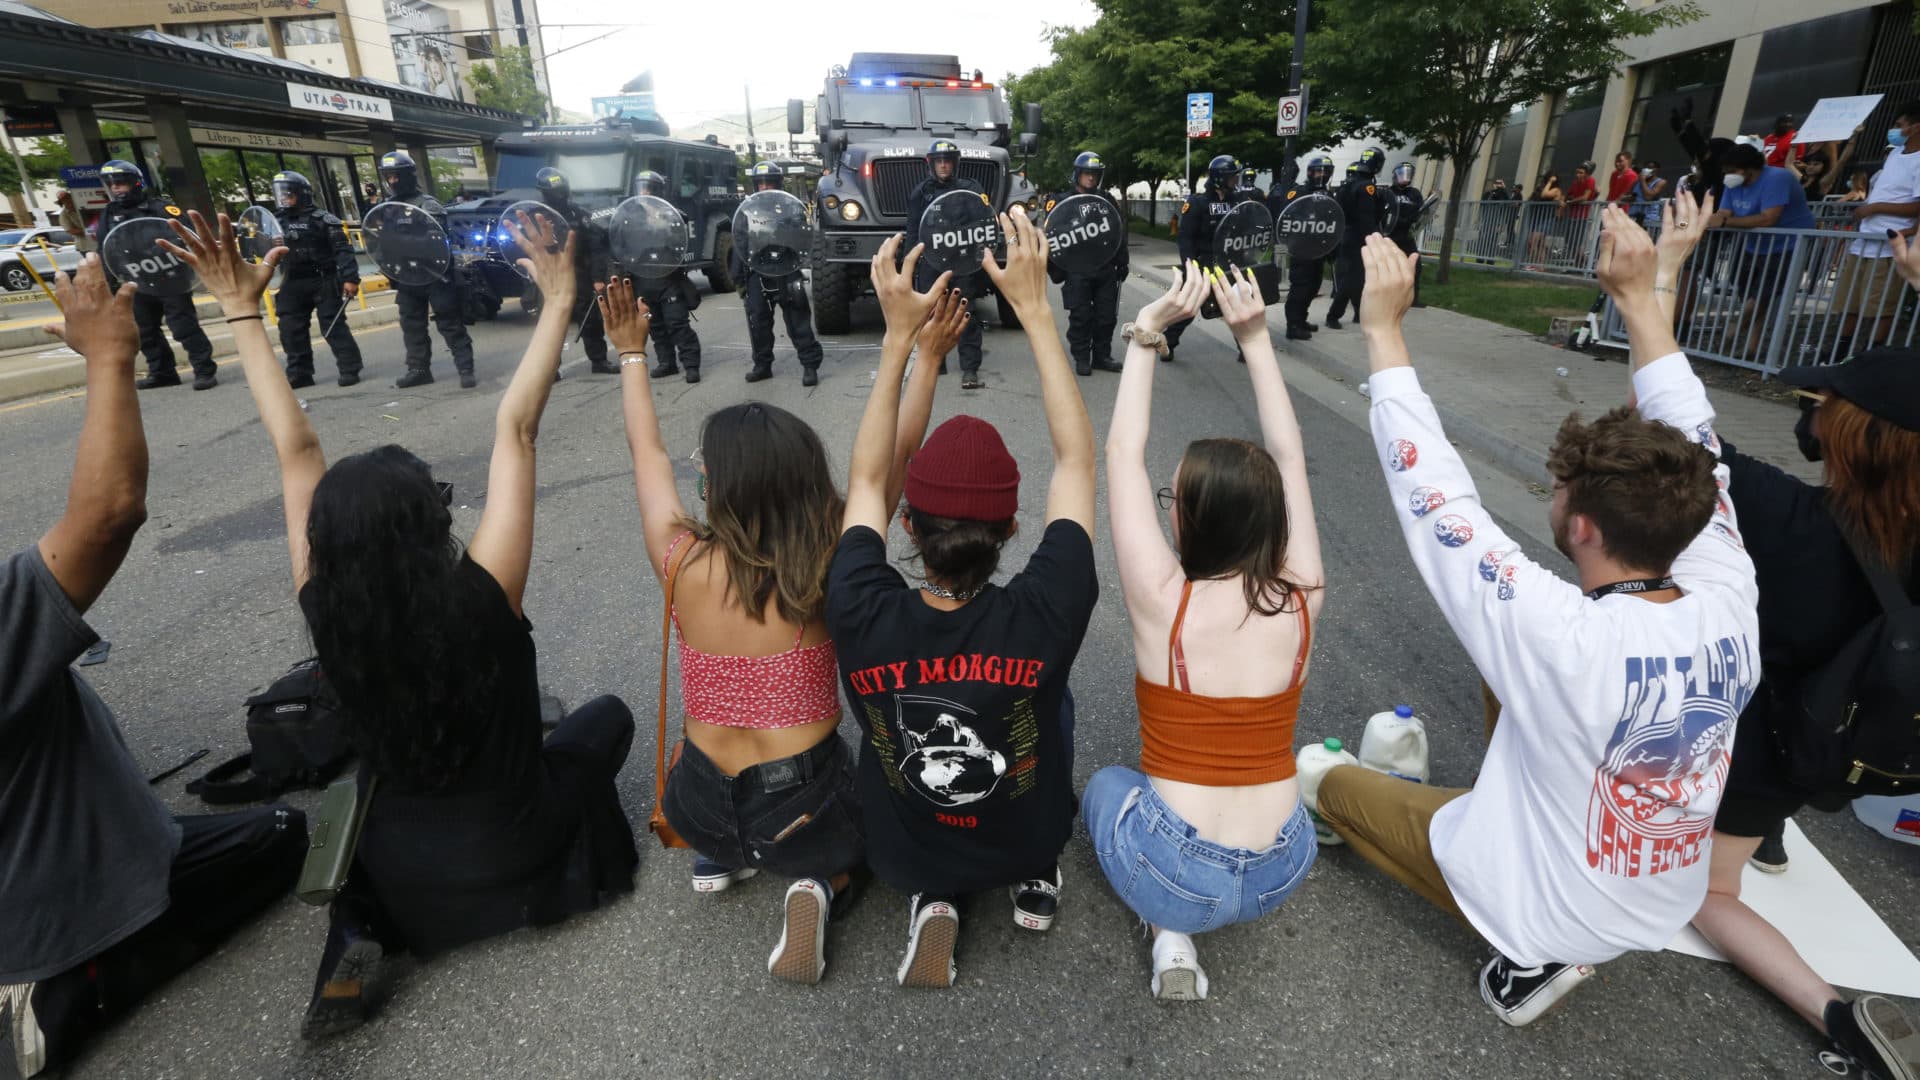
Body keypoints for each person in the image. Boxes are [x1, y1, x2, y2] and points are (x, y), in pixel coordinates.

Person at [156, 209, 638, 1037]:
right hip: (516, 847)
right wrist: (558, 301)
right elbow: (515, 429)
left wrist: (241, 311)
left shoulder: (326, 605)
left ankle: (362, 926)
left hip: (403, 865)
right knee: (607, 721)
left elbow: (295, 453)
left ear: (327, 544)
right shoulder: (483, 596)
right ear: (430, 523)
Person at [1304, 201, 1759, 1026]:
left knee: (1325, 779)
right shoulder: (1728, 589)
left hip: (1550, 909)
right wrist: (1641, 296)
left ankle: (1530, 957)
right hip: (1666, 890)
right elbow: (1700, 442)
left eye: (1556, 494)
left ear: (1581, 526)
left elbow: (1434, 495)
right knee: (1501, 661)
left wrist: (1383, 332)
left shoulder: (1558, 630)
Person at [0, 255, 307, 1079]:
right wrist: (109, 357)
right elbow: (106, 515)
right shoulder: (698, 573)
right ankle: (75, 981)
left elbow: (300, 453)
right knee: (281, 834)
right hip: (48, 915)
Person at [826, 211, 1098, 988]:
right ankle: (1034, 877)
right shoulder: (1043, 611)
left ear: (906, 524)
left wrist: (903, 347)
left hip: (901, 843)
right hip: (1020, 832)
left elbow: (871, 478)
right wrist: (1037, 311)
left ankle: (933, 894)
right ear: (1014, 527)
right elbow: (1077, 461)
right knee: (1055, 700)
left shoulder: (859, 601)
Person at [598, 275, 878, 983]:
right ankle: (819, 882)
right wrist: (908, 348)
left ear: (715, 487)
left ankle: (720, 854)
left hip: (696, 799)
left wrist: (632, 354)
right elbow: (881, 470)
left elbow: (647, 458)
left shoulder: (681, 561)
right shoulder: (830, 557)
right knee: (874, 783)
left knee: (722, 792)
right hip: (800, 799)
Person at [1085, 261, 1324, 1001]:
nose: (1166, 510)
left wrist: (1146, 333)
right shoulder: (1304, 594)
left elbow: (1122, 452)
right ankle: (1181, 925)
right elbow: (1289, 458)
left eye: (1173, 501)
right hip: (1285, 866)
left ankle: (1171, 936)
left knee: (1104, 784)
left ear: (1188, 518)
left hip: (1177, 874)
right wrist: (1255, 337)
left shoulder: (1167, 603)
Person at [1687, 331, 1920, 1080]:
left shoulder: (1784, 513)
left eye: (1821, 406)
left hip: (1766, 747)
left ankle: (1837, 1015)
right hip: (1860, 746)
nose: (1810, 416)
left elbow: (1665, 419)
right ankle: (1774, 836)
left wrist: (1651, 285)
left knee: (1707, 894)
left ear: (1853, 437)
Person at [92, 159, 217, 391]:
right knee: (144, 330)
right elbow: (105, 248)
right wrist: (110, 283)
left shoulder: (161, 208)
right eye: (111, 184)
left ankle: (204, 369)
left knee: (183, 327)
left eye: (120, 183)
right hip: (136, 280)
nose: (116, 188)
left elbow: (189, 237)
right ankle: (162, 372)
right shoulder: (109, 213)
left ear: (135, 183)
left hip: (169, 277)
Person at [1707, 142, 1816, 360]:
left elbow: (1769, 218)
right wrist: (1714, 220)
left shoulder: (1777, 178)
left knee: (1762, 295)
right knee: (1752, 295)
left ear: (1748, 168)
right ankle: (1751, 349)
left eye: (1731, 170)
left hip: (1788, 244)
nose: (1727, 175)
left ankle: (1735, 329)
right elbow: (1724, 213)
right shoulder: (1732, 184)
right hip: (1754, 245)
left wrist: (1725, 221)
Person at [377, 151, 476, 390]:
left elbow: (437, 240)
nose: (392, 182)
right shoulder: (387, 208)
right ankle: (418, 369)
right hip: (407, 276)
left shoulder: (428, 205)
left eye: (396, 176)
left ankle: (465, 368)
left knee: (449, 321)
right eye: (388, 177)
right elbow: (379, 241)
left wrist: (406, 244)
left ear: (407, 176)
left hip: (434, 274)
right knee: (411, 324)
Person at [1833, 101, 1920, 351]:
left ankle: (1871, 351)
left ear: (1915, 128)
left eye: (1899, 125)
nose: (1895, 129)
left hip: (1890, 245)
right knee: (1850, 300)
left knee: (1881, 305)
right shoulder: (1894, 155)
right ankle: (1841, 349)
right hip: (1865, 239)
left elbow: (1916, 207)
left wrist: (1875, 208)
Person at [905, 139, 989, 388]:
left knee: (966, 311)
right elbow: (913, 229)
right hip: (932, 261)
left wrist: (980, 256)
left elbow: (983, 222)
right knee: (932, 311)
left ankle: (970, 369)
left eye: (947, 161)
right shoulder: (921, 192)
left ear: (955, 163)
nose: (943, 166)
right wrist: (910, 262)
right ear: (931, 164)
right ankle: (935, 361)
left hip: (962, 260)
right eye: (939, 161)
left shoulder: (970, 188)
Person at [732, 162, 825, 385]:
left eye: (769, 182)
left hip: (787, 269)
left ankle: (809, 365)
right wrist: (738, 278)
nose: (765, 187)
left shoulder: (791, 208)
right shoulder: (745, 211)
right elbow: (739, 243)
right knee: (758, 322)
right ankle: (762, 365)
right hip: (757, 270)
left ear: (777, 183)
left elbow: (804, 237)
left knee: (798, 320)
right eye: (760, 183)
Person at [269, 171, 364, 388]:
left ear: (301, 194)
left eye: (288, 194)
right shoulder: (276, 222)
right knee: (291, 330)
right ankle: (299, 373)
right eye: (281, 194)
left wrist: (350, 278)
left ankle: (350, 368)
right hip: (291, 281)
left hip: (323, 279)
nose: (284, 198)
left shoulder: (323, 220)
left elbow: (343, 250)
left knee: (333, 326)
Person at [1047, 151, 1130, 375]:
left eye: (1095, 174)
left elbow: (1118, 231)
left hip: (1104, 267)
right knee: (1081, 316)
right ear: (1077, 174)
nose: (1091, 178)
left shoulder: (1106, 200)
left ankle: (1102, 356)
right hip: (1077, 269)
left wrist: (1123, 260)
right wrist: (1057, 269)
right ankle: (1082, 356)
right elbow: (1050, 235)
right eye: (1086, 174)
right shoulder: (1062, 202)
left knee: (1106, 316)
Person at [533, 167, 616, 375]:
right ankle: (551, 369)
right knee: (553, 326)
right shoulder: (535, 215)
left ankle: (599, 361)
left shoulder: (578, 213)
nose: (560, 195)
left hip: (580, 274)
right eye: (555, 191)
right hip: (552, 277)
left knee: (591, 321)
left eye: (562, 190)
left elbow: (596, 246)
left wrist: (597, 278)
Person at [1163, 154, 1244, 359]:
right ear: (1219, 178)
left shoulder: (1238, 201)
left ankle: (1246, 348)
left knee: (1234, 306)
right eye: (1232, 177)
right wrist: (1190, 267)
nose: (1236, 180)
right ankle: (1167, 343)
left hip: (1228, 262)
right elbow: (1185, 238)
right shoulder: (1198, 203)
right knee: (1188, 308)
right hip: (1204, 263)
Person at [630, 171, 705, 385]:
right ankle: (667, 363)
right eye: (642, 187)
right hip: (643, 276)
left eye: (650, 188)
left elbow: (683, 219)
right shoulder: (631, 215)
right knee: (656, 327)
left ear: (658, 190)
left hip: (668, 276)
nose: (645, 192)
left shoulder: (670, 213)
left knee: (677, 324)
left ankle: (691, 365)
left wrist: (660, 213)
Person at [1325, 147, 1387, 329]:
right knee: (1352, 279)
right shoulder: (1366, 186)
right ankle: (1333, 315)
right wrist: (1375, 237)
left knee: (1356, 278)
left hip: (1345, 235)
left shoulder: (1347, 184)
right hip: (1359, 238)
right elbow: (1366, 217)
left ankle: (1360, 314)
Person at [1276, 155, 1335, 338]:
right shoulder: (1300, 192)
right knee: (1300, 288)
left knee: (1313, 286)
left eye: (1326, 172)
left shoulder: (1328, 194)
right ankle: (1292, 325)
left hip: (1319, 248)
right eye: (1318, 171)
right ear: (1310, 172)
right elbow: (1287, 216)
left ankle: (1301, 319)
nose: (1322, 175)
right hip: (1301, 248)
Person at [1383, 162, 1426, 307]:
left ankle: (1413, 298)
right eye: (1402, 174)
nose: (1405, 178)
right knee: (1389, 267)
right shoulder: (1388, 193)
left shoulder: (1414, 193)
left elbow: (1420, 211)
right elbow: (1386, 213)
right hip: (1391, 235)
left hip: (1407, 236)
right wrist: (1401, 221)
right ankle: (1387, 297)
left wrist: (1414, 220)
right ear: (1395, 175)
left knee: (1415, 266)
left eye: (1408, 175)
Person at [1562, 161, 1600, 266]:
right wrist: (1565, 200)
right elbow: (1567, 195)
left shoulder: (1590, 180)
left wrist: (1570, 201)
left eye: (1581, 172)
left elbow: (1585, 197)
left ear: (1586, 173)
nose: (1578, 175)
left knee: (1577, 243)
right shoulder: (1575, 183)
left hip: (1583, 216)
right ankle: (1578, 265)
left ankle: (1587, 265)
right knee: (1570, 242)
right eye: (1577, 172)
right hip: (1572, 215)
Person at [1523, 172, 1563, 267]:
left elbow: (1544, 195)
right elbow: (1532, 198)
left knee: (1532, 241)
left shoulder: (1556, 190)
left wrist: (1549, 182)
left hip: (1548, 218)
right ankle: (1540, 266)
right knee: (1540, 244)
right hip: (1538, 217)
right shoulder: (1541, 188)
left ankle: (1533, 264)